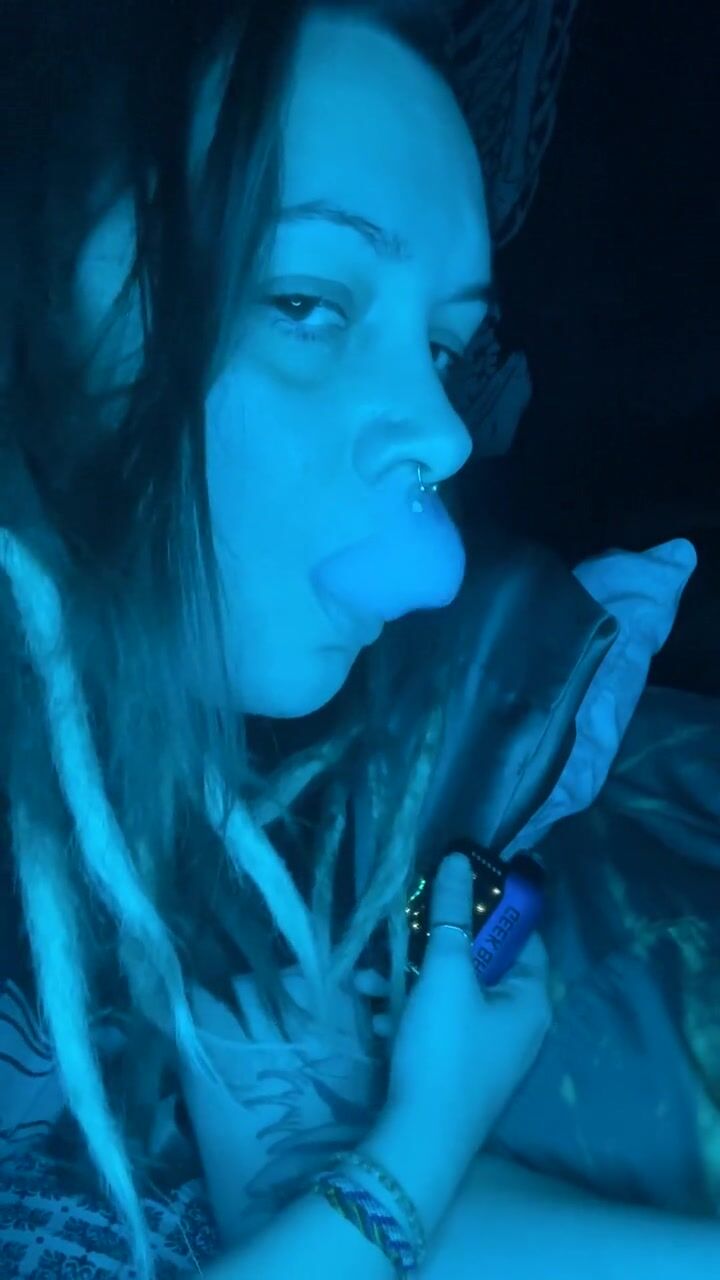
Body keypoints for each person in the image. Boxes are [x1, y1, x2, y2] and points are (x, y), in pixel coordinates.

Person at [1, 3, 718, 1278]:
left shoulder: (201, 775)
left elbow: (309, 1195)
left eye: (442, 344)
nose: (446, 432)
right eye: (305, 300)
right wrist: (419, 1142)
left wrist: (386, 1141)